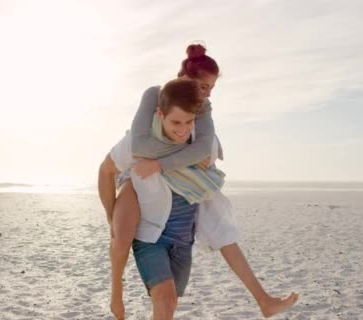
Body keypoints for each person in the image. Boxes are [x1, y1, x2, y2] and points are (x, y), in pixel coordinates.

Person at [101, 44, 298, 320]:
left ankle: (263, 300)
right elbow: (133, 149)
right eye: (202, 86)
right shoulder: (155, 106)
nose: (205, 93)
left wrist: (197, 155)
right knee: (128, 244)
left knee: (222, 240)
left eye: (210, 88)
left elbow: (208, 147)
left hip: (185, 215)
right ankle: (116, 298)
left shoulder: (201, 114)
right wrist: (112, 212)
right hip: (143, 201)